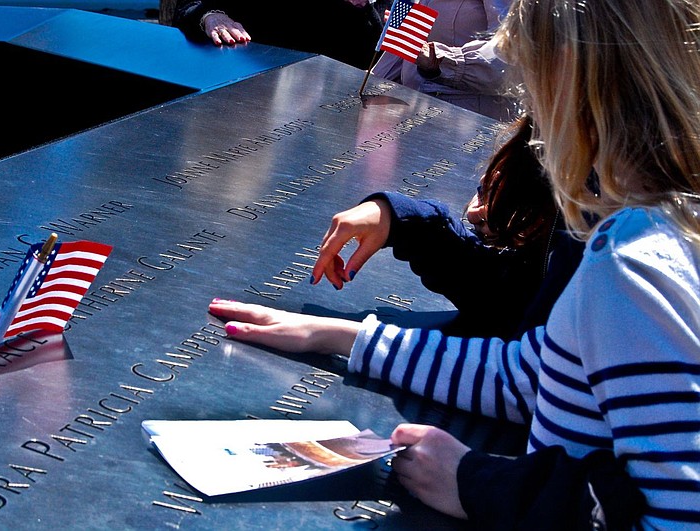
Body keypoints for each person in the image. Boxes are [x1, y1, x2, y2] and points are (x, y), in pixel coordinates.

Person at [208, 0, 700, 526]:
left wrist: (477, 485)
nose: (526, 115)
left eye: (529, 85)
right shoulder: (646, 223)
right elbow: (533, 376)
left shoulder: (634, 259)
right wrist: (341, 336)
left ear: (570, 84)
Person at [311, 113, 584, 340]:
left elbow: (525, 373)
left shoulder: (610, 220)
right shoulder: (555, 133)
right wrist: (401, 220)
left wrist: (353, 341)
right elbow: (510, 298)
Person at [372, 0, 516, 121]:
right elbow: (408, 44)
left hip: (468, 122)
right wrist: (370, 84)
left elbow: (510, 58)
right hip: (414, 113)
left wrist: (444, 62)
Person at [172, 0, 384, 70]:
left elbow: (367, 58)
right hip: (244, 77)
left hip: (318, 107)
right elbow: (188, 7)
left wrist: (361, 7)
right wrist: (211, 16)